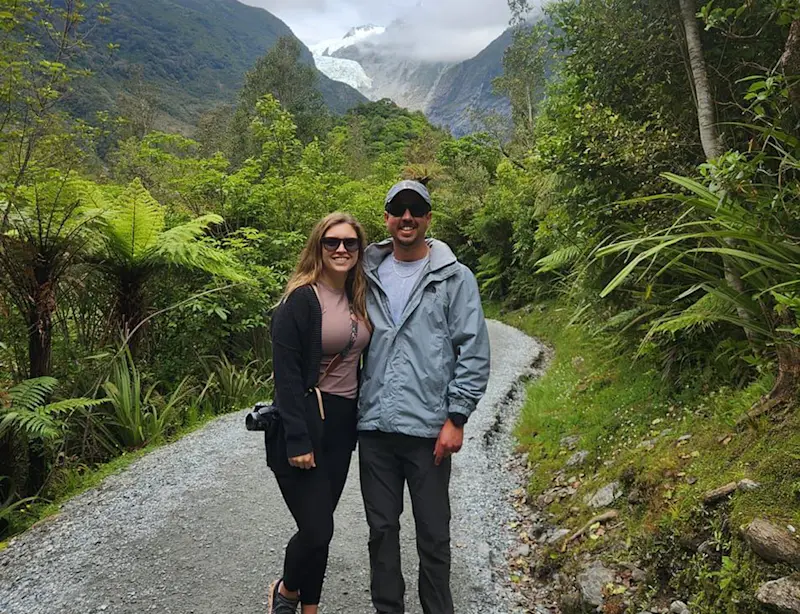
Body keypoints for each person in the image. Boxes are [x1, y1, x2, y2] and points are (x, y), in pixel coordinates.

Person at [358, 180, 491, 614]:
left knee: (433, 534)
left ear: (429, 218)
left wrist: (457, 417)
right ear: (387, 218)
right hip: (375, 428)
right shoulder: (365, 275)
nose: (407, 217)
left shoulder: (454, 278)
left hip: (429, 430)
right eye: (399, 209)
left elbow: (472, 348)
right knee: (381, 530)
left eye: (417, 209)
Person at [266, 212, 372, 614]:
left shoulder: (359, 296)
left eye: (350, 243)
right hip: (306, 423)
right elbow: (287, 378)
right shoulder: (300, 300)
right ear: (318, 246)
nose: (341, 249)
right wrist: (297, 438)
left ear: (360, 250)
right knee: (317, 528)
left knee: (321, 527)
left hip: (344, 427)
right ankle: (287, 591)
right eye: (332, 242)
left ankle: (310, 606)